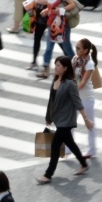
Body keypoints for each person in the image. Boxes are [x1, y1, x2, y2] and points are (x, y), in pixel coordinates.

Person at [38, 56, 93, 184]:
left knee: (55, 145)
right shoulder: (55, 80)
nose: (55, 67)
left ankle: (48, 174)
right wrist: (49, 117)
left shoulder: (70, 84)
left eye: (58, 65)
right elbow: (51, 100)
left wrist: (86, 119)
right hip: (58, 118)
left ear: (65, 68)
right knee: (70, 142)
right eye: (55, 64)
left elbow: (78, 103)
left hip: (66, 119)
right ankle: (84, 164)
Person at [35, 0, 76, 79]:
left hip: (63, 25)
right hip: (51, 24)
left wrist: (60, 10)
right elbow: (49, 4)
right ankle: (46, 70)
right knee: (48, 48)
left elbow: (72, 4)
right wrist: (45, 9)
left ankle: (76, 67)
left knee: (67, 47)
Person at [73, 39, 98, 160]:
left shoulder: (89, 64)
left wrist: (70, 91)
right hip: (76, 98)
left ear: (86, 50)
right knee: (70, 123)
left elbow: (82, 83)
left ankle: (92, 149)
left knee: (89, 124)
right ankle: (67, 148)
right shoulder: (75, 60)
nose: (76, 50)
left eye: (78, 48)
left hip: (86, 99)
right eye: (76, 47)